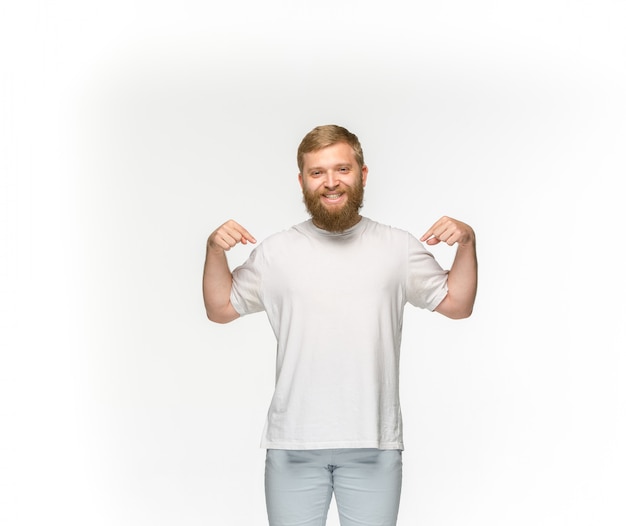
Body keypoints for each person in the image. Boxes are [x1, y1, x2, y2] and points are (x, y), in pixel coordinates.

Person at [203, 124, 477, 526]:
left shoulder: (396, 248)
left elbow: (457, 303)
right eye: (317, 173)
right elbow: (220, 307)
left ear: (362, 174)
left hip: (374, 443)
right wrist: (213, 250)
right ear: (302, 181)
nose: (331, 182)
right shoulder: (277, 252)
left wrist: (467, 243)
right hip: (293, 444)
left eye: (342, 170)